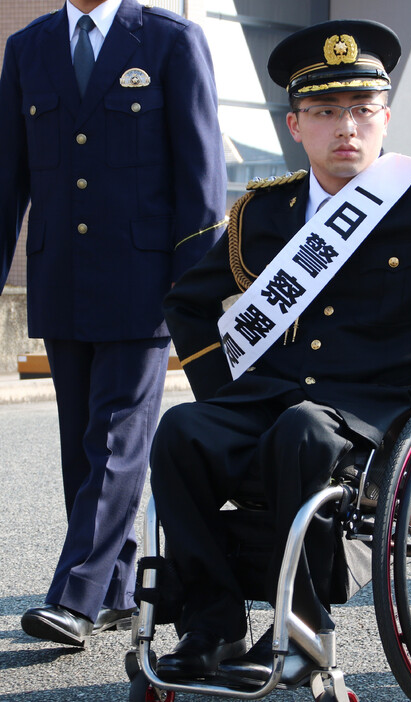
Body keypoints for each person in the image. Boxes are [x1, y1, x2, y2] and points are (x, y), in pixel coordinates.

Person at [148, 18, 411, 683]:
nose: (344, 127)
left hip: (385, 411)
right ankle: (211, 627)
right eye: (323, 112)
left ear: (383, 119)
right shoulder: (266, 214)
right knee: (182, 430)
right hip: (275, 399)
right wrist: (224, 397)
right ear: (296, 126)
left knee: (302, 431)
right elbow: (186, 303)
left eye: (360, 110)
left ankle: (303, 626)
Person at [0, 0, 226, 647]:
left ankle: (74, 597)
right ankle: (119, 588)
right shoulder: (28, 47)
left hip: (143, 285)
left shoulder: (170, 41)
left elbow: (202, 178)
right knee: (81, 448)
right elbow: (5, 181)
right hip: (60, 278)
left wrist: (194, 292)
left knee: (116, 441)